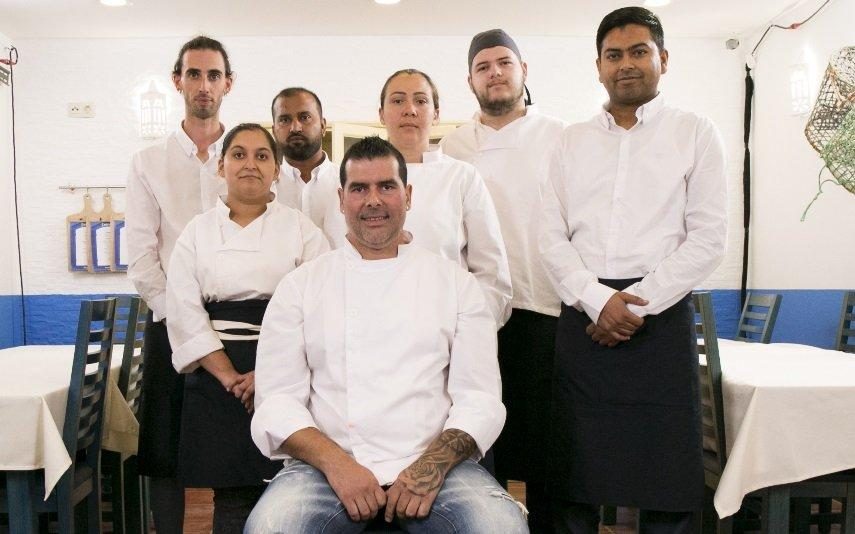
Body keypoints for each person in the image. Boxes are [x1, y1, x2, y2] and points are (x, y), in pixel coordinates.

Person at [245, 136, 528, 534]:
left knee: (500, 528)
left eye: (387, 187)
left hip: (438, 466)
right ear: (341, 199)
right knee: (272, 528)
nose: (373, 201)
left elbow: (479, 398)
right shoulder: (301, 286)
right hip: (324, 468)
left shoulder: (456, 284)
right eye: (359, 189)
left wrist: (429, 468)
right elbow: (276, 402)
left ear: (408, 196)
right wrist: (338, 465)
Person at [539, 7, 727, 533]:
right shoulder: (568, 141)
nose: (626, 64)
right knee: (575, 477)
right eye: (614, 55)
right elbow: (549, 238)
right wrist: (597, 301)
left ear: (663, 60)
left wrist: (633, 304)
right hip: (583, 317)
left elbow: (709, 238)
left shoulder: (695, 133)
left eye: (639, 51)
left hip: (660, 318)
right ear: (597, 66)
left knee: (667, 477)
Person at [165, 123, 329, 533]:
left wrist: (270, 375)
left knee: (291, 487)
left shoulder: (302, 230)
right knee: (232, 493)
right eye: (239, 154)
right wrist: (229, 376)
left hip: (286, 368)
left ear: (277, 170)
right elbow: (184, 310)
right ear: (221, 166)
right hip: (219, 373)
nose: (250, 165)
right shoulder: (197, 232)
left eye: (262, 156)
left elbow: (321, 307)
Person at [439, 29, 567, 531]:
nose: (494, 73)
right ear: (470, 80)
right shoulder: (454, 144)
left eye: (503, 63)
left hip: (545, 310)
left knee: (549, 452)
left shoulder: (559, 135)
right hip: (477, 317)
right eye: (483, 66)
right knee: (482, 444)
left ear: (523, 71)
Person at [125, 35, 233, 533]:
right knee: (165, 453)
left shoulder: (247, 155)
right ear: (177, 81)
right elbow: (142, 257)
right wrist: (183, 317)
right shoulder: (148, 162)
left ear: (228, 84)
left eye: (214, 75)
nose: (204, 85)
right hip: (170, 323)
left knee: (236, 448)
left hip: (237, 322)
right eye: (194, 74)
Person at [374, 68, 511, 327]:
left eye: (421, 100)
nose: (410, 110)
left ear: (436, 114)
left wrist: (468, 330)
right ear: (381, 114)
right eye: (398, 100)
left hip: (448, 328)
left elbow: (492, 275)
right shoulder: (357, 181)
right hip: (373, 325)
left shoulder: (461, 177)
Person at [271, 87, 342, 244]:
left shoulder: (348, 183)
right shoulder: (264, 190)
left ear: (323, 126)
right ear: (274, 131)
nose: (295, 127)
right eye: (284, 120)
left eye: (305, 117)